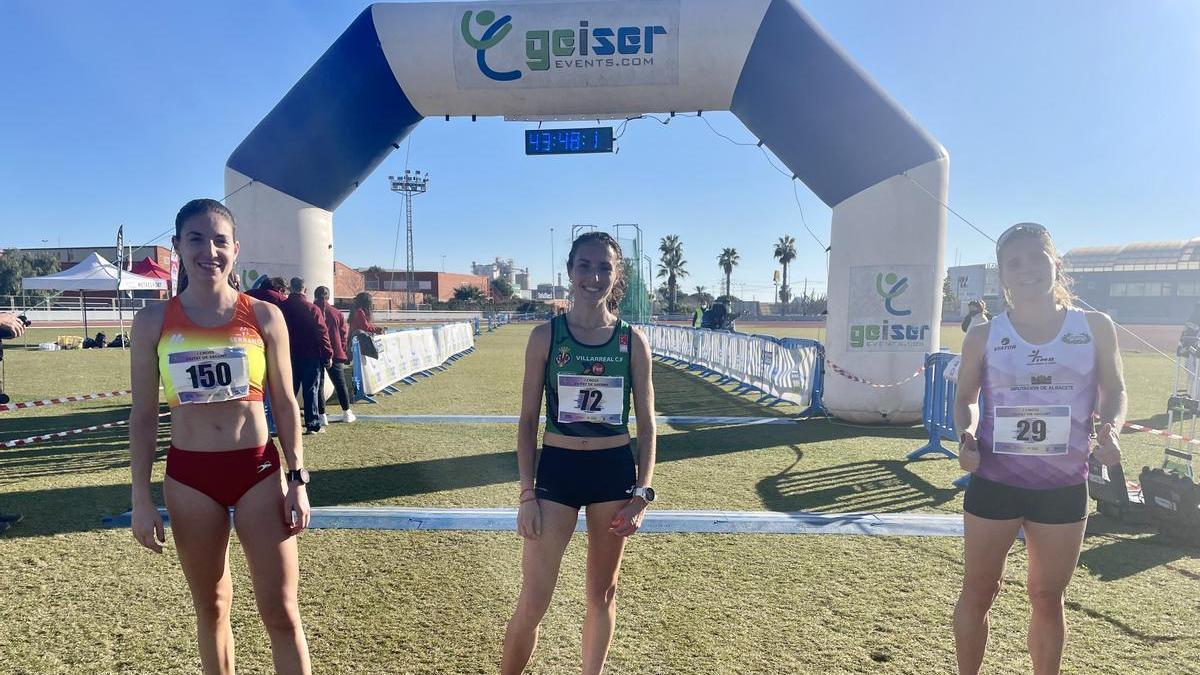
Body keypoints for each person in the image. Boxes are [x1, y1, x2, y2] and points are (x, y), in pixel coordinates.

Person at [128, 198, 312, 674]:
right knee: (211, 608)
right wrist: (141, 499)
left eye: (219, 240)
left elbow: (287, 403)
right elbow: (144, 416)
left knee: (281, 613)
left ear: (236, 249)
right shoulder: (151, 322)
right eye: (195, 238)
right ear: (177, 246)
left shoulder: (265, 316)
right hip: (191, 478)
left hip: (257, 472)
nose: (208, 250)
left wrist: (298, 479)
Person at [952, 222, 1125, 675]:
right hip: (994, 482)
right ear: (1002, 276)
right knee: (979, 589)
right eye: (1015, 263)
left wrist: (1112, 428)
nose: (1027, 269)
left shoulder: (1095, 327)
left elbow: (1116, 392)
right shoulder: (984, 335)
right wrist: (965, 437)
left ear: (1056, 264)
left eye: (1037, 258)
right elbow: (966, 399)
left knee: (1048, 596)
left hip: (1064, 486)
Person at [501, 232, 657, 675]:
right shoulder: (545, 337)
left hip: (612, 472)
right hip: (558, 472)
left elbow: (646, 426)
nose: (594, 276)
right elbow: (528, 419)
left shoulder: (632, 341)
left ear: (617, 274)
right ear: (569, 272)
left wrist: (641, 493)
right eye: (585, 266)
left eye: (604, 267)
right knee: (533, 600)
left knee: (601, 594)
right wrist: (526, 494)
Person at [280, 277, 332, 434]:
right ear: (305, 290)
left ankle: (283, 423)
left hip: (288, 354)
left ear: (290, 288)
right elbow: (322, 333)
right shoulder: (312, 309)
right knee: (311, 390)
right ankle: (312, 424)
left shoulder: (281, 307)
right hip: (311, 355)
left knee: (289, 390)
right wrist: (327, 354)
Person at [313, 286, 355, 424]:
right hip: (335, 352)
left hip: (316, 352)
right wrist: (341, 348)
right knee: (340, 383)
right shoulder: (337, 313)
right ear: (328, 297)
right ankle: (346, 412)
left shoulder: (311, 310)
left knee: (319, 385)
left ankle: (321, 415)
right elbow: (344, 334)